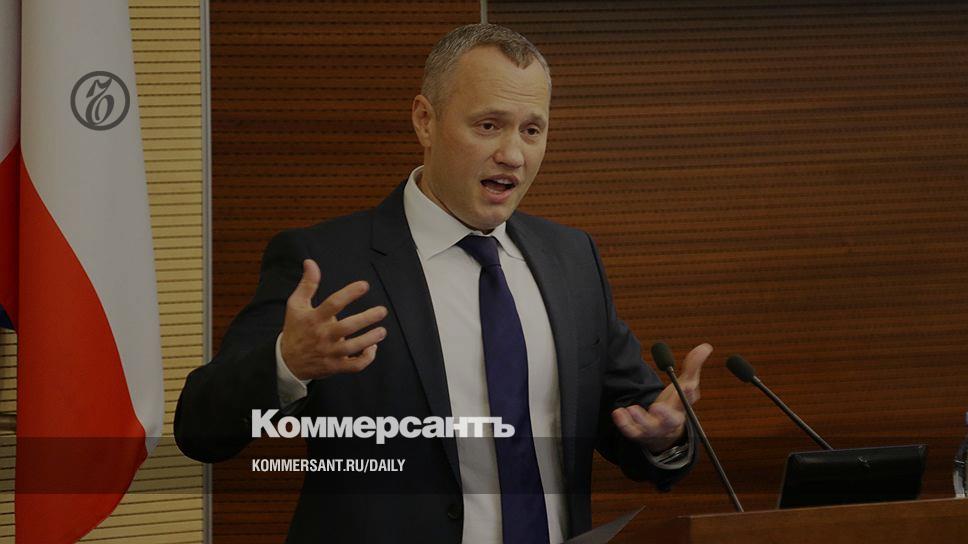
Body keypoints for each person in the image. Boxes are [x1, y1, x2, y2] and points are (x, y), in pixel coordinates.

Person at [175, 23, 711, 544]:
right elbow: (201, 429)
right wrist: (286, 364)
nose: (513, 154)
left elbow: (634, 418)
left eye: (532, 130)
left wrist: (665, 434)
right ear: (425, 121)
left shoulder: (571, 259)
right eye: (489, 125)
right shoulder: (328, 261)